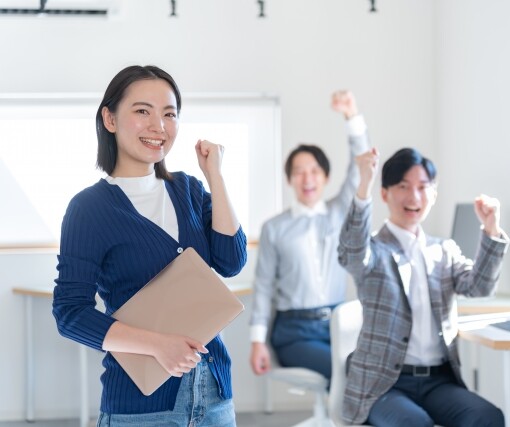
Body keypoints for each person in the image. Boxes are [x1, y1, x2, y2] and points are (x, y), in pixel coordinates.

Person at [52, 65, 247, 426]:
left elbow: (231, 260)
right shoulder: (89, 209)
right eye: (143, 111)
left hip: (215, 398)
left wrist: (215, 177)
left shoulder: (188, 189)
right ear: (109, 119)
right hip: (141, 409)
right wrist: (159, 345)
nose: (159, 126)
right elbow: (69, 313)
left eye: (169, 114)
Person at [337, 147, 509, 427]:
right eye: (403, 186)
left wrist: (491, 230)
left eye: (422, 187)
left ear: (434, 195)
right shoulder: (374, 250)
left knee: (487, 417)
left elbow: (480, 288)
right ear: (385, 194)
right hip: (384, 385)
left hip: (438, 381)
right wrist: (364, 185)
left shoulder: (444, 250)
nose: (414, 196)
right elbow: (352, 253)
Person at [249, 91, 370, 379]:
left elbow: (360, 167)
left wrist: (352, 116)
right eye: (299, 172)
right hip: (294, 332)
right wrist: (257, 341)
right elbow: (263, 286)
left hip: (340, 324)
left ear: (326, 177)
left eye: (314, 171)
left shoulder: (339, 213)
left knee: (371, 372)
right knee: (346, 373)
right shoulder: (274, 228)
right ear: (290, 179)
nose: (307, 179)